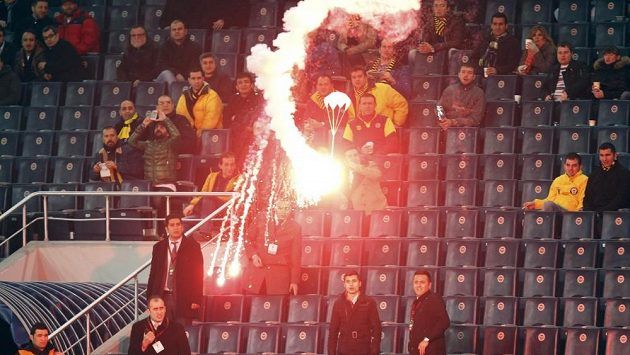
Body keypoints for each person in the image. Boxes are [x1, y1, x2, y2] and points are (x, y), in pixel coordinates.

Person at [146, 214, 203, 326]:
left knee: (182, 331)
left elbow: (198, 275)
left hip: (184, 297)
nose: (176, 227)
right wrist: (150, 298)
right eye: (172, 225)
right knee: (163, 332)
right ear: (167, 228)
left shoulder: (193, 246)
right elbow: (153, 274)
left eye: (178, 224)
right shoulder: (158, 247)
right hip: (163, 296)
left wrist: (196, 299)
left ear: (182, 227)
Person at [244, 198, 301, 295]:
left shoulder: (295, 227)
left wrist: (294, 281)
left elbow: (296, 256)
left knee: (275, 309)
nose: (283, 211)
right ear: (274, 207)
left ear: (291, 208)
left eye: (286, 208)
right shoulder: (261, 218)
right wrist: (253, 255)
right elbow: (247, 239)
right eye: (280, 208)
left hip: (278, 278)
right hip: (256, 274)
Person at [328, 270, 381, 355]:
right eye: (348, 281)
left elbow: (377, 329)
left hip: (363, 349)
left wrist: (374, 351)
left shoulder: (369, 302)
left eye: (354, 281)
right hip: (344, 349)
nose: (351, 284)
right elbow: (333, 331)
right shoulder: (338, 303)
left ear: (360, 283)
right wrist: (331, 353)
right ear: (344, 285)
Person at [523, 152, 588, 212]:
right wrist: (535, 204)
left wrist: (579, 213)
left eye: (574, 165)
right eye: (568, 165)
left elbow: (582, 201)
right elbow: (550, 199)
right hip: (555, 210)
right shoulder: (558, 180)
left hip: (570, 214)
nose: (570, 168)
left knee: (548, 206)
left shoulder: (584, 180)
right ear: (564, 166)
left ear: (580, 166)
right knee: (535, 212)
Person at [127, 113, 181, 185]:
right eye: (157, 127)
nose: (158, 129)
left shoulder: (170, 144)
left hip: (167, 184)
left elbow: (177, 136)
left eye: (162, 127)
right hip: (149, 185)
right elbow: (131, 141)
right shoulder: (148, 144)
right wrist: (143, 125)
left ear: (168, 133)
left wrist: (166, 120)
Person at [223, 72, 263, 163]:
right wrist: (241, 126)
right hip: (236, 136)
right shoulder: (233, 99)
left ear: (252, 85)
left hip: (253, 137)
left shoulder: (259, 99)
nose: (243, 85)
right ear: (236, 86)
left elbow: (259, 118)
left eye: (246, 82)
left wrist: (236, 119)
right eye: (240, 83)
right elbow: (226, 120)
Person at [183, 151, 239, 217]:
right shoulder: (211, 176)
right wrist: (192, 205)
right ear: (220, 166)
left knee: (208, 200)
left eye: (232, 164)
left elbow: (231, 198)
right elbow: (203, 193)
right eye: (226, 165)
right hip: (207, 208)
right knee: (186, 221)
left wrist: (213, 197)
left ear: (235, 166)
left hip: (226, 211)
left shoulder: (240, 179)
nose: (230, 168)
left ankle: (203, 224)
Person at [408, 270, 450, 355]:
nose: (418, 285)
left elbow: (444, 322)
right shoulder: (416, 302)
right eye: (416, 282)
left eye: (422, 282)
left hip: (431, 351)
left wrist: (427, 339)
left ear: (429, 285)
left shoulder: (434, 299)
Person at [175, 67, 223, 137]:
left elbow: (211, 119)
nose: (196, 81)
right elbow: (180, 117)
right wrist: (188, 133)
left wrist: (198, 134)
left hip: (210, 135)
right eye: (193, 78)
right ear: (189, 80)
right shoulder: (184, 97)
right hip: (190, 135)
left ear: (203, 78)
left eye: (199, 78)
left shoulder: (212, 96)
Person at [583, 142, 630, 213]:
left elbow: (621, 199)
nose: (604, 159)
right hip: (595, 214)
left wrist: (602, 212)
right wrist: (590, 214)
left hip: (613, 214)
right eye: (602, 155)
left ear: (615, 156)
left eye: (608, 155)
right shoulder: (594, 174)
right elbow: (587, 198)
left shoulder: (624, 173)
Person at [436, 63, 485, 129]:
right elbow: (439, 107)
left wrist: (453, 122)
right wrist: (442, 119)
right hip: (447, 127)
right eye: (463, 72)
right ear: (459, 75)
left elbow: (476, 119)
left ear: (474, 77)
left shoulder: (479, 93)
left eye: (469, 73)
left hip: (468, 130)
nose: (466, 75)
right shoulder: (449, 90)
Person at [155, 20, 202, 86]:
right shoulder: (164, 46)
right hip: (168, 78)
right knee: (167, 73)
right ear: (171, 33)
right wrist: (176, 73)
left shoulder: (195, 47)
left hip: (188, 78)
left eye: (179, 29)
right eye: (174, 30)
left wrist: (183, 76)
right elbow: (161, 65)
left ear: (185, 31)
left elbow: (195, 67)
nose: (177, 31)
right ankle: (176, 93)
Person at [473, 12, 520, 76]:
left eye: (501, 24)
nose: (497, 27)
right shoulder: (484, 40)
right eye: (495, 24)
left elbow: (513, 65)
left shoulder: (513, 42)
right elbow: (474, 58)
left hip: (501, 78)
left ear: (506, 26)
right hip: (481, 76)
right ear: (491, 25)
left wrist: (497, 70)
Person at [344, 148, 387, 215]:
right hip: (358, 213)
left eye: (355, 155)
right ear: (345, 160)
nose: (353, 158)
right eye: (349, 156)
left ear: (359, 156)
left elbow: (377, 175)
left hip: (376, 211)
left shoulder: (370, 165)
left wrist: (356, 167)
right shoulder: (342, 173)